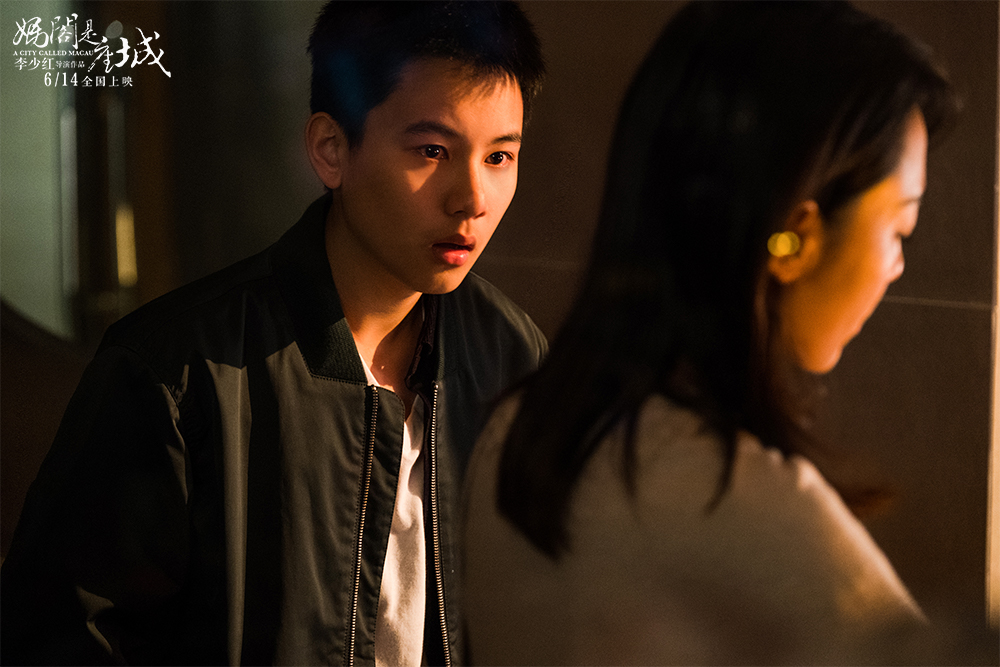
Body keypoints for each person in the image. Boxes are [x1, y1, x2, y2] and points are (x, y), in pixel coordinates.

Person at [0, 2, 545, 665]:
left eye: (499, 156)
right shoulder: (175, 374)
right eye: (432, 151)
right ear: (331, 149)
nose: (473, 198)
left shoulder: (512, 356)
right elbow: (61, 636)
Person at [463, 2, 958, 664]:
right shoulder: (739, 500)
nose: (897, 265)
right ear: (799, 235)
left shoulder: (515, 436)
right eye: (899, 227)